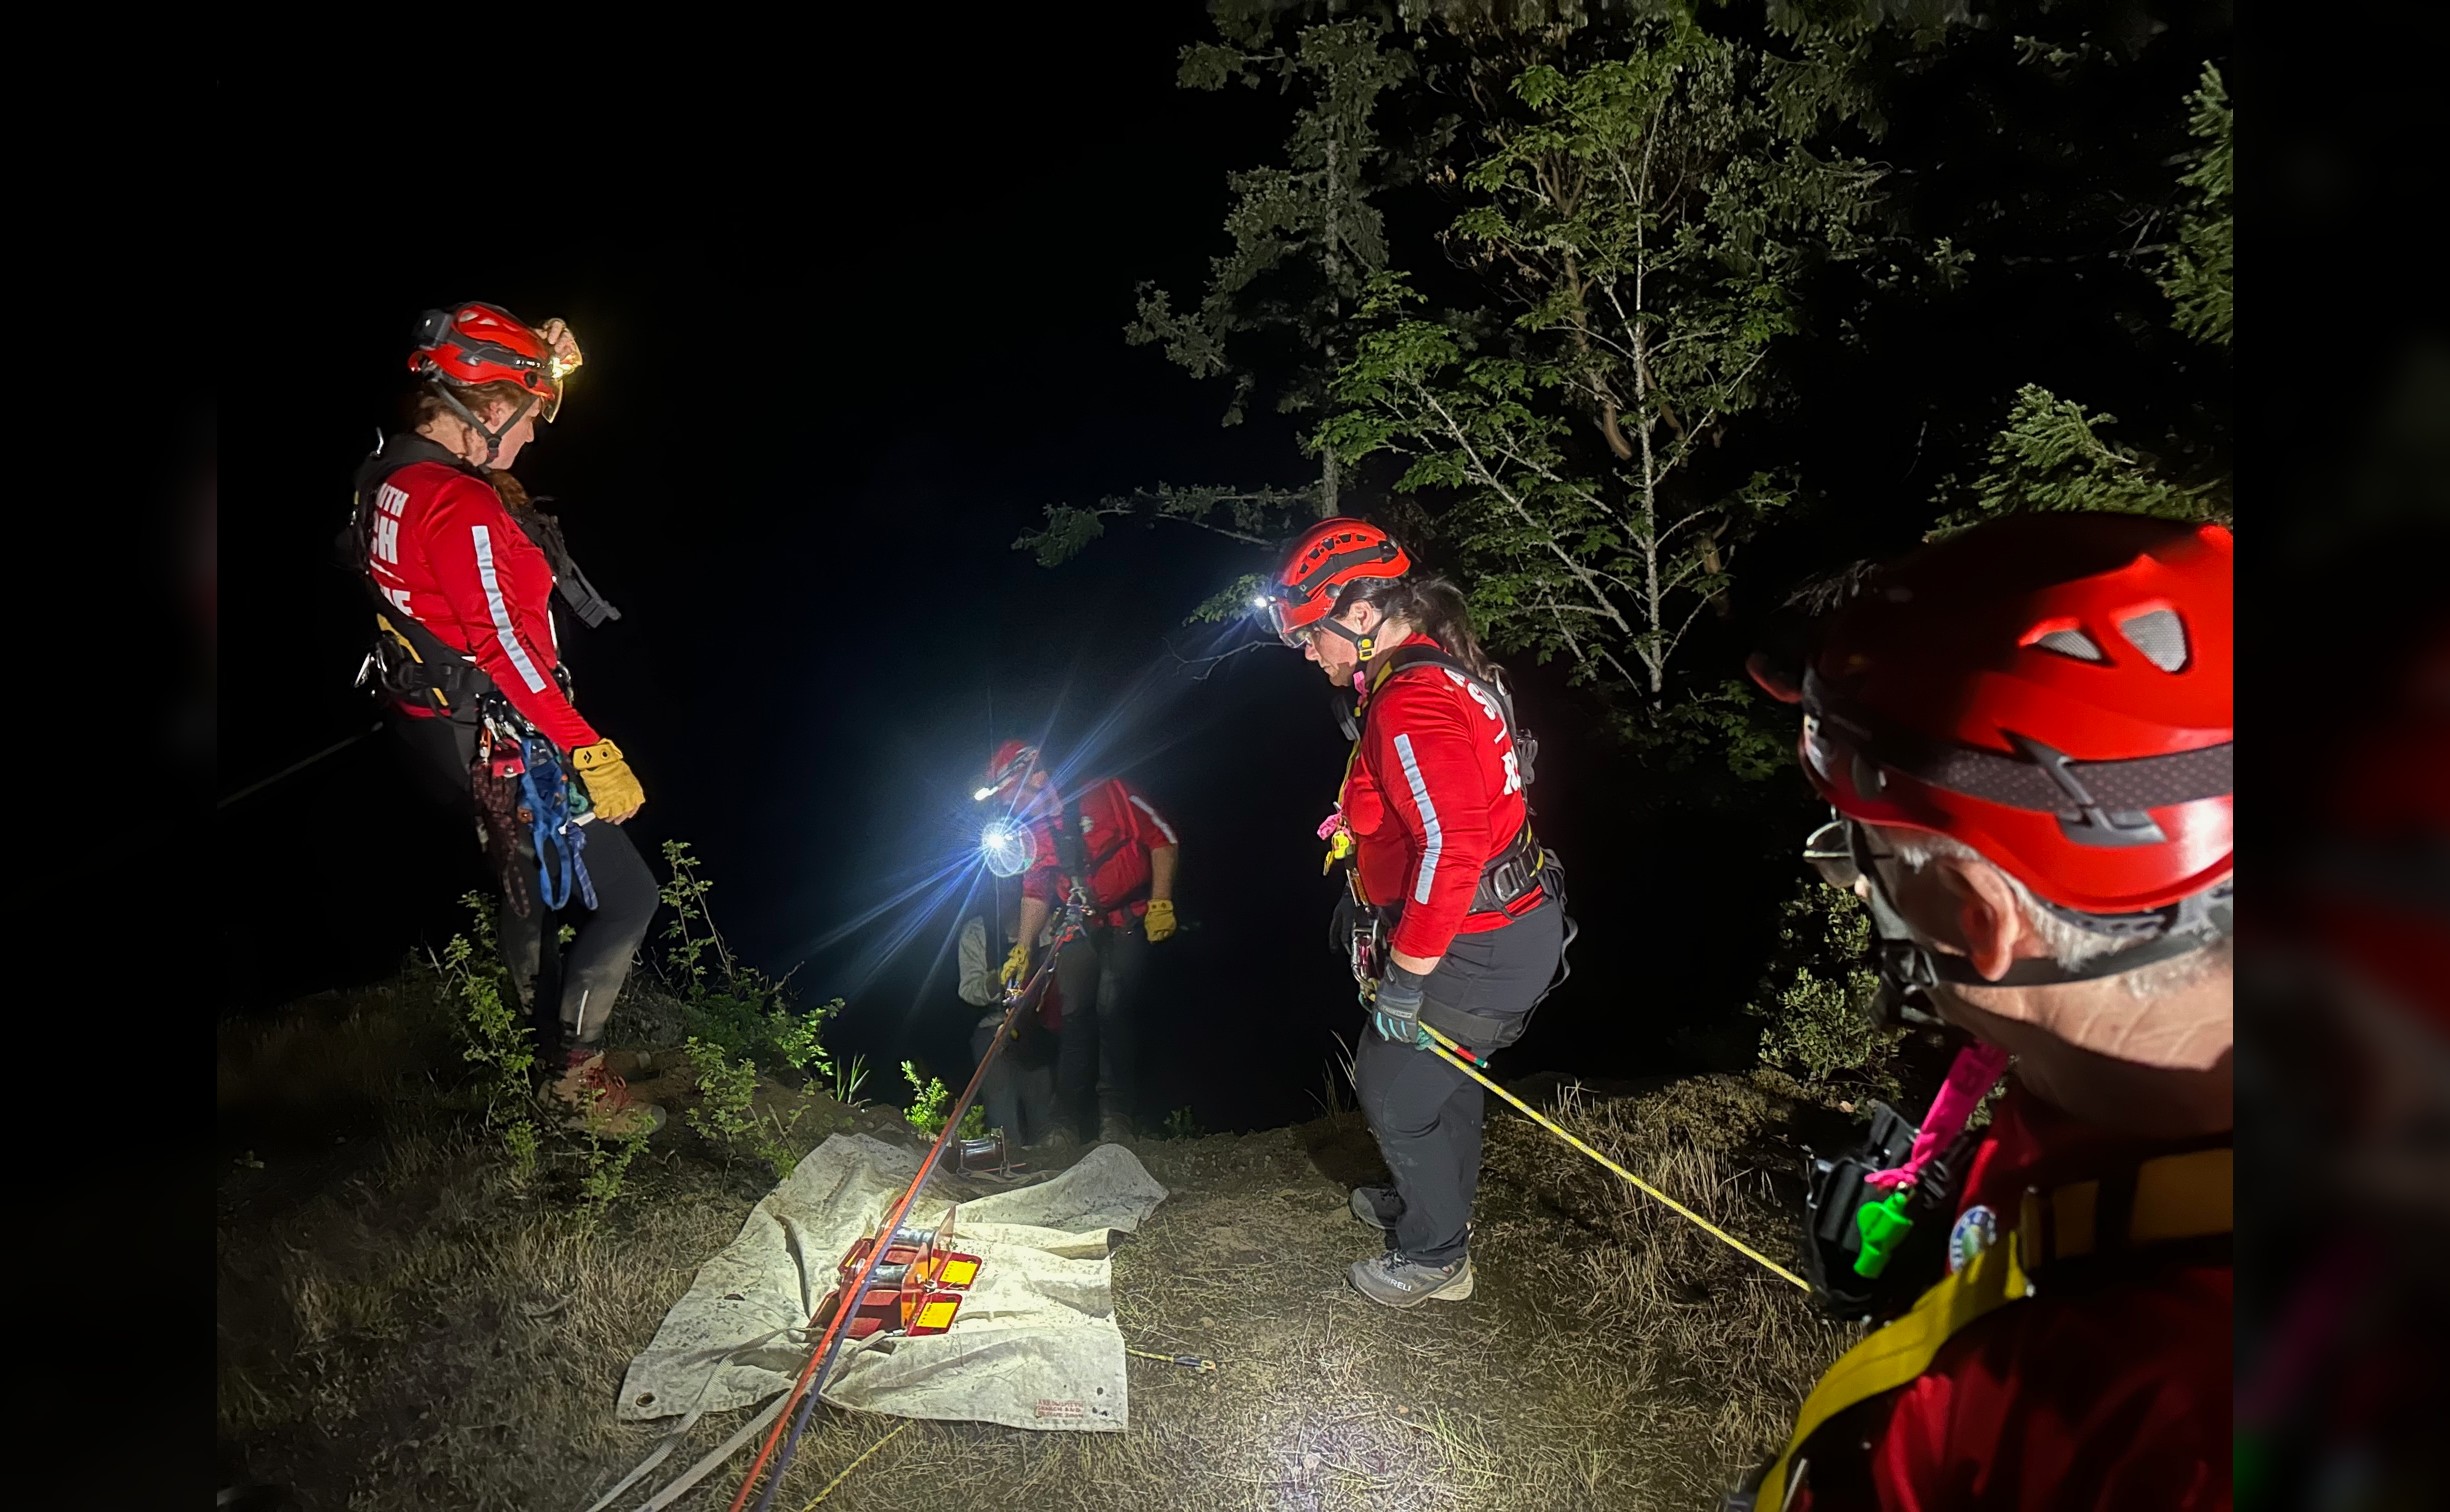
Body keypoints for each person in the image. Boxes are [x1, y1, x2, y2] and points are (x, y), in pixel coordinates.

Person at [1732, 513, 2235, 1510]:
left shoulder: (2158, 1433)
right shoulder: (2096, 1092)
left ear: (1980, 914)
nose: (1848, 884)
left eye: (1858, 849)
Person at [339, 301, 664, 1137]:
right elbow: (508, 653)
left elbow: (458, 614)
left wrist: (551, 369)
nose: (531, 440)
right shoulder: (464, 507)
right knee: (630, 897)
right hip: (500, 733)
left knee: (522, 891)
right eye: (525, 421)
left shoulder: (392, 476)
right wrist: (587, 747)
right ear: (484, 413)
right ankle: (575, 1078)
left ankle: (535, 1053)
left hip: (435, 730)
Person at [1259, 518, 1567, 1309]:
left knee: (1393, 1092)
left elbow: (1454, 844)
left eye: (1309, 634)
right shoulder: (1429, 672)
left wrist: (1407, 974)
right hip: (1500, 925)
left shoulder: (1412, 699)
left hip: (1479, 941)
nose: (1305, 652)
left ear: (1361, 616)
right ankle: (1435, 1204)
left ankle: (1437, 1257)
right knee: (1443, 1079)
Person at [975, 739, 1181, 1144]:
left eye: (1012, 795)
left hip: (1129, 916)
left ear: (1036, 776)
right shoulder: (1034, 830)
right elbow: (1035, 891)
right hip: (1080, 922)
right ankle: (1065, 1119)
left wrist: (1161, 902)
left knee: (1113, 1005)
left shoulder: (1105, 793)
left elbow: (1163, 839)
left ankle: (1115, 1115)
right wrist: (1024, 946)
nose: (1011, 807)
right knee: (1074, 1013)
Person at [956, 884, 1061, 1149]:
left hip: (1036, 1030)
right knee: (1001, 1116)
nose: (1006, 894)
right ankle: (1004, 1165)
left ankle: (1048, 1168)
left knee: (1045, 1114)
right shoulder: (976, 931)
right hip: (992, 1028)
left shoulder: (1046, 926)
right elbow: (968, 989)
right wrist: (999, 979)